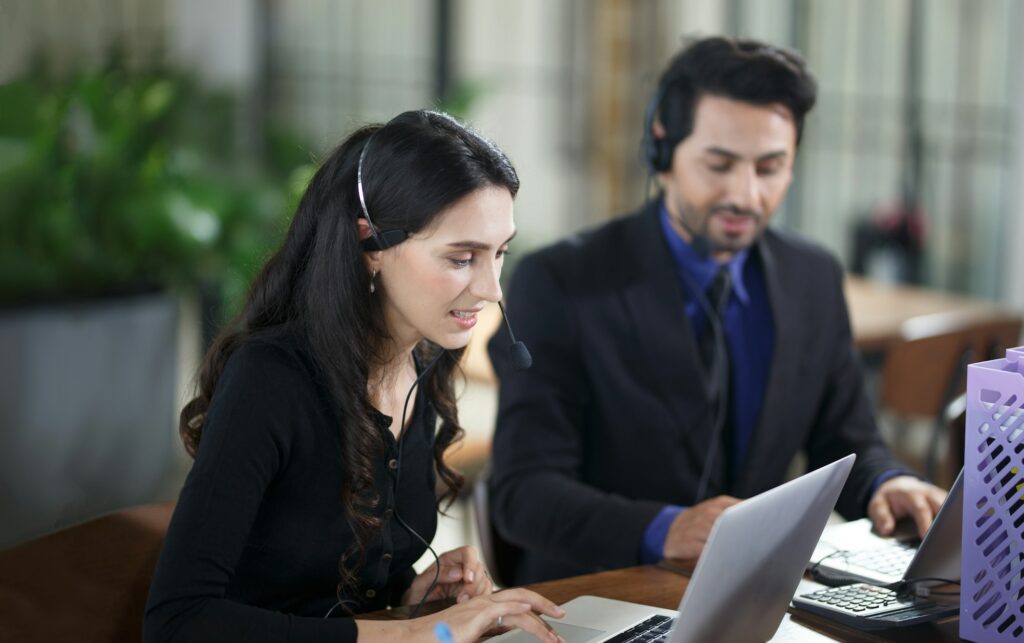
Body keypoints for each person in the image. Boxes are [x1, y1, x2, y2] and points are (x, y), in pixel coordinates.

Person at [487, 36, 948, 585]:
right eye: (720, 164)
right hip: (599, 595)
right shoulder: (558, 282)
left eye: (770, 167)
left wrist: (884, 484)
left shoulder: (812, 277)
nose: (746, 196)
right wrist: (667, 527)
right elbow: (525, 492)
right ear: (662, 150)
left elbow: (845, 442)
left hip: (754, 597)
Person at [144, 110, 565, 642]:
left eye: (499, 254)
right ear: (372, 247)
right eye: (462, 258)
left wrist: (409, 594)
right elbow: (176, 623)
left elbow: (332, 587)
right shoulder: (270, 381)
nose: (491, 289)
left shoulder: (423, 369)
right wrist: (416, 635)